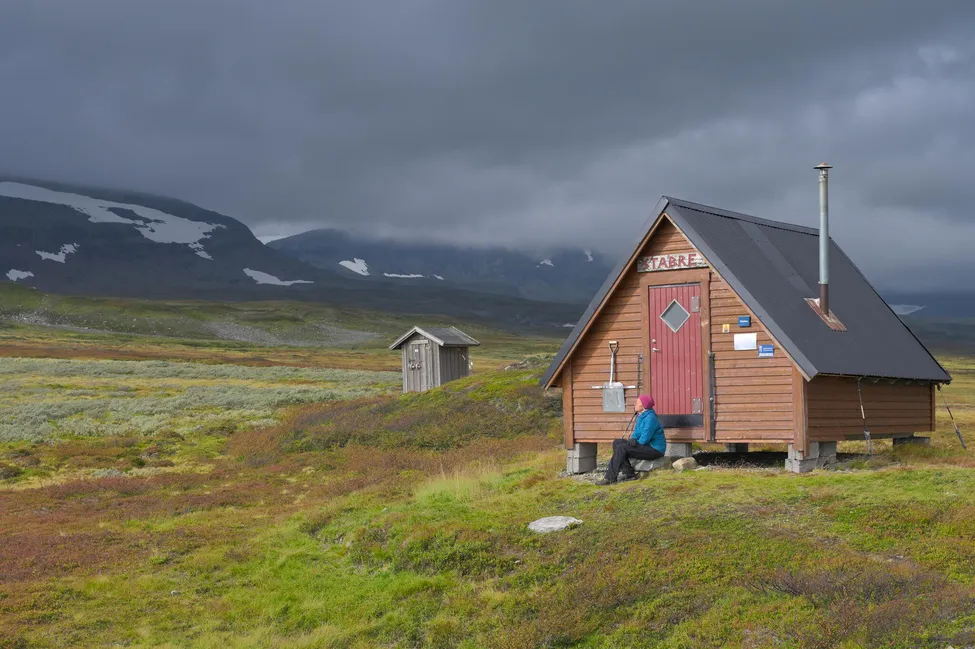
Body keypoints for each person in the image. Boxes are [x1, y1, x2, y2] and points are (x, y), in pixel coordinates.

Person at [596, 394, 667, 485]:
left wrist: (635, 442)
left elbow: (645, 438)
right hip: (646, 446)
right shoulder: (641, 415)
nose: (635, 404)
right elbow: (637, 432)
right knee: (617, 443)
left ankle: (609, 478)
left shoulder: (651, 418)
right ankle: (628, 473)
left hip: (655, 449)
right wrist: (633, 438)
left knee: (622, 447)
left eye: (637, 402)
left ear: (644, 405)